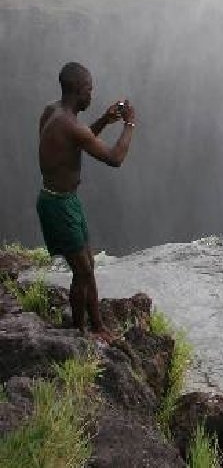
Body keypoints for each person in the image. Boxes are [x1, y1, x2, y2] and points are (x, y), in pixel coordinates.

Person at [36, 62, 136, 341]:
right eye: (89, 89)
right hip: (59, 205)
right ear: (79, 90)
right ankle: (78, 333)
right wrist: (129, 123)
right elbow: (115, 158)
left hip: (63, 199)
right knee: (82, 271)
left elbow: (76, 141)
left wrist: (104, 120)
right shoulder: (71, 125)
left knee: (87, 266)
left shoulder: (52, 112)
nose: (92, 94)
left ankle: (98, 327)